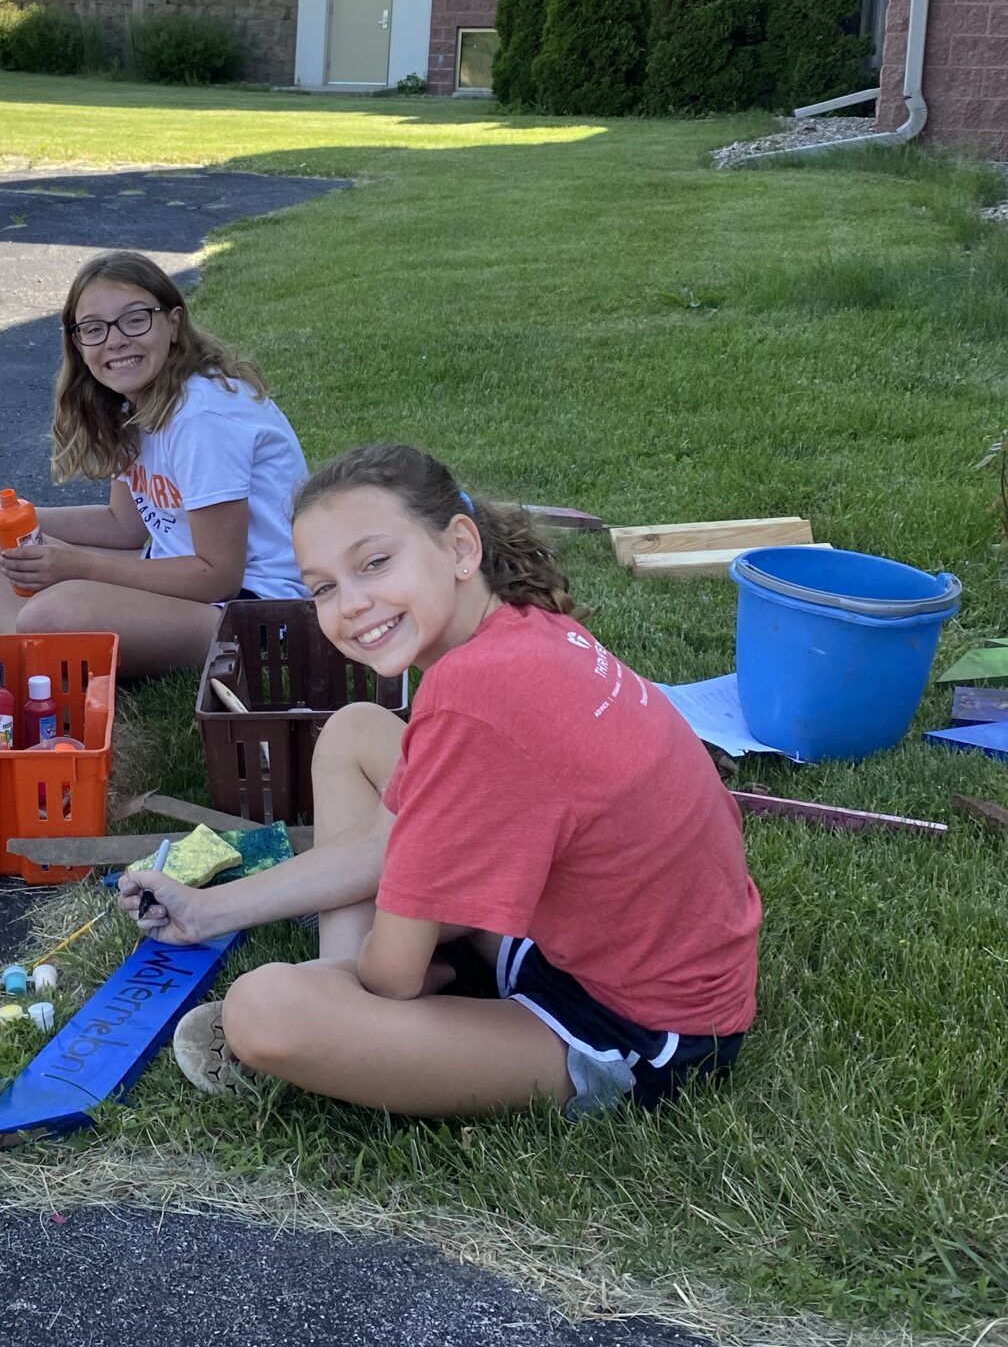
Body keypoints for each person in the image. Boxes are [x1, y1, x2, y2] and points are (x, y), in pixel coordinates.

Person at [121, 442, 762, 1119]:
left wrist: (368, 980)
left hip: (637, 1031)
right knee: (355, 731)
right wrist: (211, 910)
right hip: (585, 935)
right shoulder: (520, 629)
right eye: (324, 586)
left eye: (374, 563)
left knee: (262, 1014)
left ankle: (346, 1012)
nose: (352, 604)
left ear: (460, 548)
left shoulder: (469, 699)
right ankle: (358, 997)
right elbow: (394, 847)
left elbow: (394, 974)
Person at [0, 250, 309, 680]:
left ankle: (40, 661)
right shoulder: (135, 402)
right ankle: (42, 664)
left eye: (134, 320)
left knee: (52, 614)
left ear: (173, 324)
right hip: (181, 575)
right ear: (77, 343)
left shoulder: (202, 418)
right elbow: (123, 525)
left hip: (257, 612)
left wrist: (79, 567)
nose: (115, 340)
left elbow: (218, 576)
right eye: (94, 329)